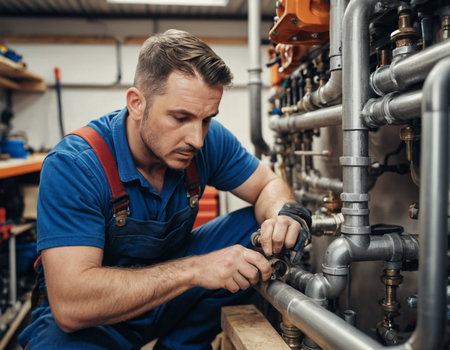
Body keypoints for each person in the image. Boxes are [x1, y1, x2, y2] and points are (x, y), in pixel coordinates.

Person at [19, 29, 311, 350]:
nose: (196, 139)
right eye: (180, 117)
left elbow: (268, 184)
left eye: (206, 120)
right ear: (136, 104)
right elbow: (72, 305)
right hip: (94, 320)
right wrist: (197, 269)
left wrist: (282, 216)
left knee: (255, 232)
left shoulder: (204, 142)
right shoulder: (75, 165)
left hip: (168, 299)